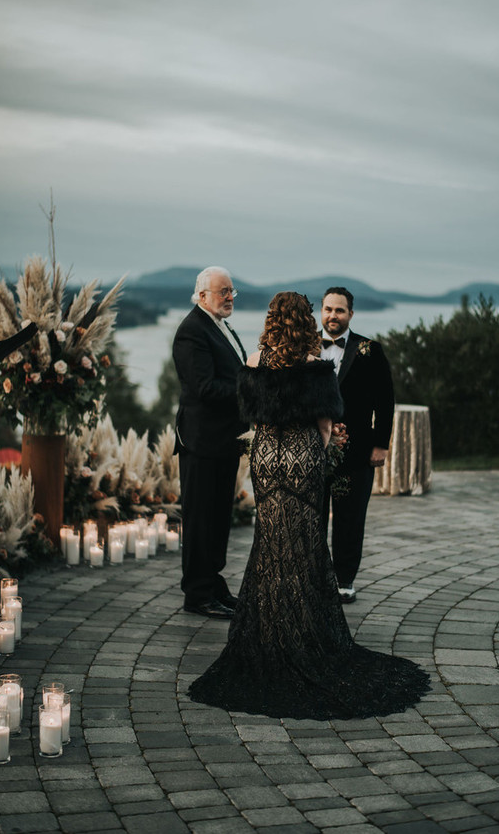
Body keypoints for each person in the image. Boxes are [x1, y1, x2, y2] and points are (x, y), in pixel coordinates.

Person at [188, 292, 428, 719]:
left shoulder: (255, 361)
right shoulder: (316, 367)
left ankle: (268, 631)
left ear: (271, 321)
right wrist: (319, 451)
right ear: (305, 322)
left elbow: (251, 416)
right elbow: (325, 424)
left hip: (265, 458)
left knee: (270, 541)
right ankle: (302, 630)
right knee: (304, 540)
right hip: (303, 458)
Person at [172, 266, 247, 620]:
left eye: (232, 291)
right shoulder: (191, 331)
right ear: (202, 296)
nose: (230, 297)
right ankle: (197, 594)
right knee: (201, 520)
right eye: (223, 291)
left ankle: (214, 585)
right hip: (201, 443)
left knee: (218, 520)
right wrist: (250, 390)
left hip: (223, 441)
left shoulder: (221, 326)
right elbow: (204, 388)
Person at [320, 286, 395, 604]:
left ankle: (344, 581)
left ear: (350, 314)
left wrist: (381, 445)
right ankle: (317, 579)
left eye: (339, 310)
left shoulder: (370, 350)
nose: (332, 315)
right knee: (313, 517)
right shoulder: (306, 347)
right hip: (313, 449)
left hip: (357, 450)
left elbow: (385, 401)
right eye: (328, 309)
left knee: (350, 519)